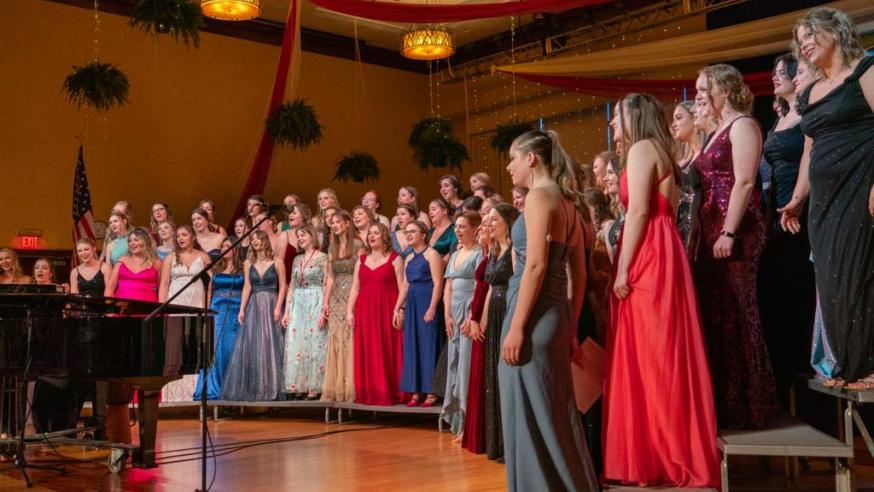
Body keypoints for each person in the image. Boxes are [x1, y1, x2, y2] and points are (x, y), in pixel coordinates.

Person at [602, 93, 719, 487]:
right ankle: (662, 449)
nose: (612, 126)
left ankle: (658, 455)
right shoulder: (661, 150)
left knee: (650, 356)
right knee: (662, 352)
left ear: (633, 116)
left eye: (616, 118)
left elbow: (637, 212)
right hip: (665, 248)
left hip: (648, 252)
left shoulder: (640, 150)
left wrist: (622, 268)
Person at [781, 7, 874, 390]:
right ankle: (846, 364)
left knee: (858, 271)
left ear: (836, 31)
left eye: (810, 33)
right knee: (831, 278)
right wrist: (798, 197)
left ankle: (868, 366)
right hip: (823, 199)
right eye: (799, 38)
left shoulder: (864, 70)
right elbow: (808, 151)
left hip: (859, 185)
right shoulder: (809, 92)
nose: (803, 42)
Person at [500, 129, 598, 491]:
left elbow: (536, 266)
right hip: (555, 315)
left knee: (527, 412)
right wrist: (570, 327)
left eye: (512, 157)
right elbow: (579, 273)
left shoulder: (539, 197)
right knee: (554, 411)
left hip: (532, 312)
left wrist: (516, 327)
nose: (509, 166)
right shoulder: (570, 204)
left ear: (531, 159)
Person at [694, 63, 776, 429]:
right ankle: (727, 403)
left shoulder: (743, 125)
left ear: (723, 90)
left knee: (741, 313)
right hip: (712, 232)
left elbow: (744, 182)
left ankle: (752, 405)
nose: (698, 96)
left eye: (702, 89)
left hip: (737, 231)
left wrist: (727, 232)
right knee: (720, 315)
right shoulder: (714, 133)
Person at [757, 53, 817, 406]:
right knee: (780, 286)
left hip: (803, 208)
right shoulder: (779, 119)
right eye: (775, 72)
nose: (776, 77)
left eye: (784, 72)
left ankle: (805, 364)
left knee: (800, 283)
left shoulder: (807, 115)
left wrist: (798, 200)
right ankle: (785, 367)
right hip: (775, 213)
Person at [104, 227, 161, 443]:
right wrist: (108, 312)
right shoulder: (121, 262)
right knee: (123, 361)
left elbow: (162, 289)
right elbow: (110, 288)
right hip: (122, 316)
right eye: (131, 241)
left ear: (146, 241)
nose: (133, 243)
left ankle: (145, 399)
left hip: (146, 317)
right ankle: (121, 405)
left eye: (137, 240)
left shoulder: (157, 263)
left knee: (143, 361)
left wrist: (160, 316)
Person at [221, 230, 286, 401]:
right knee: (255, 343)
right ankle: (256, 387)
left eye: (258, 238)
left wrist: (279, 307)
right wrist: (242, 308)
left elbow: (283, 286)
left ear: (265, 240)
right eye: (253, 239)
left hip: (271, 302)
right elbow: (247, 287)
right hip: (255, 304)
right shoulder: (248, 263)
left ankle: (271, 387)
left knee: (270, 343)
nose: (255, 241)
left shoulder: (277, 261)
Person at [349, 224, 404, 406]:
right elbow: (355, 287)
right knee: (367, 348)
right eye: (370, 233)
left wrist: (399, 309)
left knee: (386, 348)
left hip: (387, 308)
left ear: (384, 237)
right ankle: (369, 391)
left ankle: (390, 391)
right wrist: (350, 310)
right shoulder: (361, 260)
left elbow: (403, 286)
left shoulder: (395, 259)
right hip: (365, 310)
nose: (372, 236)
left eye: (376, 233)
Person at [441, 212, 483, 439]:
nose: (457, 230)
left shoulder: (479, 254)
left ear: (475, 229)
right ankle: (456, 420)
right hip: (453, 314)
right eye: (456, 226)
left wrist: (472, 316)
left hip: (468, 311)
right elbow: (448, 287)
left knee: (466, 364)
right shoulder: (455, 253)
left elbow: (479, 287)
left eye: (462, 226)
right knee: (454, 364)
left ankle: (469, 423)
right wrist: (447, 315)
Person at [159, 225, 211, 402]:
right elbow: (164, 283)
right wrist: (162, 307)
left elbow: (210, 284)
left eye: (184, 235)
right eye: (178, 235)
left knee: (193, 343)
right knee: (175, 344)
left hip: (196, 303)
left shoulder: (203, 257)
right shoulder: (170, 258)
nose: (180, 238)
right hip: (176, 303)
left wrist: (206, 306)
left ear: (192, 237)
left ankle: (194, 390)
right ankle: (173, 393)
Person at [397, 221, 445, 407]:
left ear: (424, 234)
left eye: (412, 231)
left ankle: (432, 390)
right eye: (406, 232)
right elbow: (405, 285)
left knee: (429, 344)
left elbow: (438, 283)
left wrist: (432, 307)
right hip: (413, 304)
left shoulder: (432, 254)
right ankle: (416, 390)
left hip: (427, 300)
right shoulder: (408, 258)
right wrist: (398, 307)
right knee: (413, 345)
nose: (408, 235)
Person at [194, 238, 244, 400]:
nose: (224, 249)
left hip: (235, 311)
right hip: (216, 310)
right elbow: (209, 290)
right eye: (222, 247)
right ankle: (213, 387)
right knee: (216, 349)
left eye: (228, 247)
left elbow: (246, 289)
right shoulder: (216, 267)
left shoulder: (243, 267)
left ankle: (231, 388)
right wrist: (206, 310)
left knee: (231, 348)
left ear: (236, 249)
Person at [283, 226, 329, 400]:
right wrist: (287, 311)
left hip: (315, 299)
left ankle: (314, 385)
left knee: (315, 341)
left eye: (303, 235)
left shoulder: (324, 258)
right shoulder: (297, 259)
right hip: (298, 302)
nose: (300, 238)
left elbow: (326, 282)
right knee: (298, 342)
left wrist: (324, 306)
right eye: (298, 236)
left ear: (313, 236)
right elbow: (292, 285)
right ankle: (300, 383)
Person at [321, 211, 362, 402]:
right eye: (332, 223)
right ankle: (337, 388)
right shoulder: (332, 248)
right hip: (336, 296)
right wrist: (325, 302)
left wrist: (351, 305)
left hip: (353, 294)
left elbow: (360, 275)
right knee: (336, 339)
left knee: (350, 338)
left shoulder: (359, 245)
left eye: (338, 222)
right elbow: (330, 276)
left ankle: (351, 387)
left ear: (347, 223)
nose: (334, 225)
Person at [672, 101, 705, 258]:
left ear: (694, 118)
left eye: (678, 118)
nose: (674, 125)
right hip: (682, 229)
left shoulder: (705, 155)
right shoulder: (684, 160)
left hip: (700, 230)